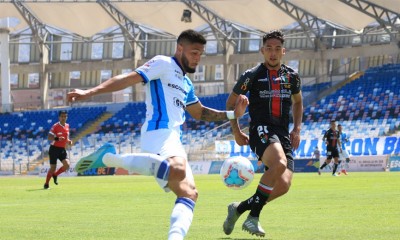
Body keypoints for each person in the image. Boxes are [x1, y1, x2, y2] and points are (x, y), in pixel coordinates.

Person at [67, 29, 248, 240]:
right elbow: (127, 79)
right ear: (180, 48)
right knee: (178, 169)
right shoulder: (163, 63)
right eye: (193, 52)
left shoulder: (186, 83)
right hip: (158, 132)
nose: (197, 58)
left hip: (174, 140)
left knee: (189, 193)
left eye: (200, 54)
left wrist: (232, 114)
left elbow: (199, 112)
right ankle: (109, 158)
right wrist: (89, 93)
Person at [224, 30, 303, 237]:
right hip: (261, 129)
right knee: (279, 163)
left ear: (283, 51)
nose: (273, 53)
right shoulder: (251, 76)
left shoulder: (292, 76)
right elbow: (230, 103)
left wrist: (297, 129)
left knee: (284, 185)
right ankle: (253, 218)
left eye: (277, 49)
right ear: (262, 51)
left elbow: (298, 102)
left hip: (282, 134)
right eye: (269, 49)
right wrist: (236, 131)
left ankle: (239, 208)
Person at [44, 110, 72, 189]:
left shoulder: (67, 126)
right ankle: (46, 184)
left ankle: (55, 175)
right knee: (53, 168)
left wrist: (68, 141)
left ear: (67, 117)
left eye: (65, 116)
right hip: (54, 149)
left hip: (62, 149)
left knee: (67, 164)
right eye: (62, 116)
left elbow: (66, 138)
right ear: (59, 117)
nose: (63, 118)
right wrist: (57, 138)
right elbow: (49, 137)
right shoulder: (55, 126)